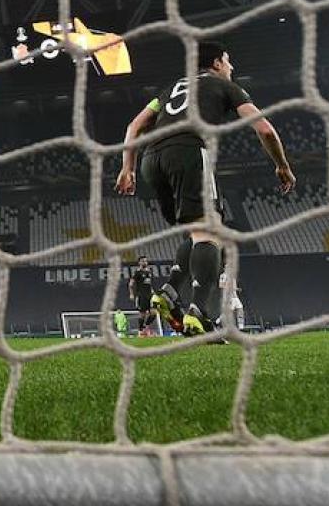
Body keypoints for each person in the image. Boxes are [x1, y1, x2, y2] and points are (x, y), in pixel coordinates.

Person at [115, 42, 294, 336]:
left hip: (151, 159)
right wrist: (282, 165)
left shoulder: (171, 88)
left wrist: (128, 167)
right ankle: (198, 313)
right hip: (187, 151)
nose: (231, 67)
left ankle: (170, 294)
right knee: (209, 232)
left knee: (198, 234)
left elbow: (134, 126)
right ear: (216, 64)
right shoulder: (225, 86)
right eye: (228, 61)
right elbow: (264, 129)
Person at [129, 256, 159, 336]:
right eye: (143, 261)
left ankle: (145, 327)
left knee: (154, 313)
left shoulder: (149, 272)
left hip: (150, 295)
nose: (145, 262)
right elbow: (131, 284)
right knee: (142, 314)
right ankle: (140, 331)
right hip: (141, 296)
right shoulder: (137, 272)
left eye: (146, 261)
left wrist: (153, 292)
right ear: (139, 263)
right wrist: (131, 294)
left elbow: (149, 284)